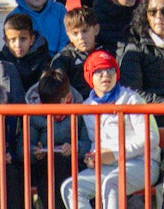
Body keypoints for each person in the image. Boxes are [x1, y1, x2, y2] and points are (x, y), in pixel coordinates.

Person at [62, 51, 158, 209]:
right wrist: (93, 157)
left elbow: (151, 138)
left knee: (112, 183)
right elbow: (95, 141)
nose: (105, 75)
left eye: (110, 70)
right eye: (99, 71)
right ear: (89, 76)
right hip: (108, 166)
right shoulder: (87, 106)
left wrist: (114, 154)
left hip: (143, 163)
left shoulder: (132, 99)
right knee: (70, 187)